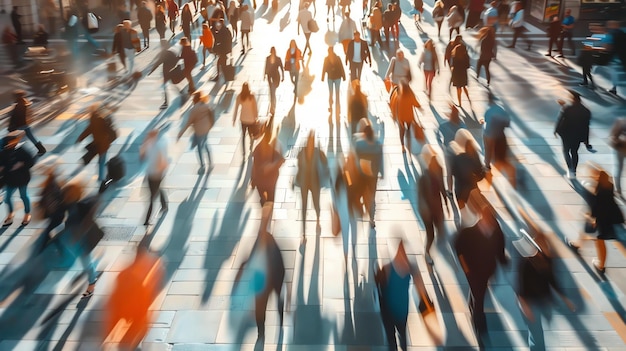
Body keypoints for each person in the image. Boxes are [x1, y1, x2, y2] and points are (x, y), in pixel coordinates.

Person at [517, 207, 576, 351]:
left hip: (543, 299)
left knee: (540, 330)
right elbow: (521, 286)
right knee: (536, 335)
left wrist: (564, 298)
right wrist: (525, 306)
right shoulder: (527, 262)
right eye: (542, 245)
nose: (545, 248)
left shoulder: (547, 259)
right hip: (531, 302)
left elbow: (552, 279)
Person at [455, 196, 507, 341]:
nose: (490, 223)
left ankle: (472, 303)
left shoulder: (497, 232)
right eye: (488, 220)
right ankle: (480, 326)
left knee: (478, 292)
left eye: (492, 221)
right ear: (482, 217)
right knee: (480, 300)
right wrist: (465, 268)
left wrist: (503, 262)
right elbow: (458, 247)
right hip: (472, 272)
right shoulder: (470, 233)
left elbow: (500, 249)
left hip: (486, 271)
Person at [233, 203, 285, 339]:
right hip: (264, 280)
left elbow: (277, 263)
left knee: (268, 305)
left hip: (270, 279)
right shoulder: (263, 240)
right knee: (261, 309)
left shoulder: (267, 241)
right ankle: (262, 333)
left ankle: (266, 331)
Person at [375, 241, 434, 350]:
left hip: (398, 311)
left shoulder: (409, 269)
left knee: (398, 337)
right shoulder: (390, 268)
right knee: (394, 338)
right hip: (393, 311)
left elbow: (420, 288)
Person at [104, 246, 163, 349]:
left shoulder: (123, 273)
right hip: (136, 312)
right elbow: (148, 297)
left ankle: (121, 344)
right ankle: (132, 345)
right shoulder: (143, 277)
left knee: (128, 333)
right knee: (137, 331)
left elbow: (116, 294)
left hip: (123, 310)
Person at [569, 168, 624, 275]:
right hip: (612, 216)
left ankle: (601, 266)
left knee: (599, 240)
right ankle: (577, 245)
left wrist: (589, 216)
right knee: (588, 229)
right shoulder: (608, 184)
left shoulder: (595, 191)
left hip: (602, 220)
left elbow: (595, 209)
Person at [294, 132, 329, 243]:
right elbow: (299, 165)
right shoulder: (302, 151)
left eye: (311, 142)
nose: (310, 144)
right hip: (304, 182)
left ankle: (318, 219)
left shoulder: (317, 152)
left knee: (316, 204)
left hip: (315, 182)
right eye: (309, 142)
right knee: (303, 207)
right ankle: (303, 233)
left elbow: (325, 163)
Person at [418, 145, 448, 265]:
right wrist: (424, 208)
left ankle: (433, 247)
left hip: (437, 206)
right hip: (427, 210)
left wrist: (446, 202)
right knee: (430, 234)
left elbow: (442, 187)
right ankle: (427, 253)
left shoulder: (439, 169)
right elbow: (421, 196)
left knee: (439, 230)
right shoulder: (424, 176)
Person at [554, 90, 591, 179]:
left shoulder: (567, 108)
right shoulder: (586, 111)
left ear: (573, 99)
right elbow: (586, 126)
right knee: (574, 152)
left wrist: (556, 130)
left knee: (566, 151)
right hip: (578, 135)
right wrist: (586, 139)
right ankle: (574, 170)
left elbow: (560, 120)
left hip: (566, 134)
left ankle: (570, 169)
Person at [0, 130, 34, 227]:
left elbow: (31, 161)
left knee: (23, 196)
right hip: (10, 179)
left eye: (12, 141)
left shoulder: (22, 149)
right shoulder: (4, 151)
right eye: (9, 141)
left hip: (22, 178)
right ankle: (11, 213)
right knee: (7, 198)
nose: (10, 143)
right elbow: (2, 162)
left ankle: (27, 213)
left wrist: (22, 164)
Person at [481, 92, 516, 186]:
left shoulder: (488, 110)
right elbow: (507, 123)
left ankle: (487, 166)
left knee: (488, 149)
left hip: (488, 134)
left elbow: (486, 120)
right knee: (500, 153)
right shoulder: (501, 109)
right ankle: (501, 163)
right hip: (499, 135)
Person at [353, 121, 384, 228]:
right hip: (373, 175)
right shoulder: (378, 144)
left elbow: (355, 160)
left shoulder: (359, 143)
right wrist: (382, 172)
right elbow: (380, 160)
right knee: (372, 197)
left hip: (361, 175)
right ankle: (371, 219)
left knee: (358, 194)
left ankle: (360, 209)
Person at [76, 103, 117, 181]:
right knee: (102, 161)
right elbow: (109, 129)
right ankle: (101, 178)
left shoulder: (93, 119)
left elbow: (88, 130)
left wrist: (80, 138)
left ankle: (100, 175)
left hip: (97, 144)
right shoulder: (101, 119)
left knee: (100, 160)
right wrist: (112, 137)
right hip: (104, 144)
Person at [178, 91, 215, 171]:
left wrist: (180, 134)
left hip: (199, 130)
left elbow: (188, 123)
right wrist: (210, 125)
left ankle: (202, 165)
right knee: (205, 144)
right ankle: (211, 163)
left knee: (199, 148)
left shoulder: (194, 109)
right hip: (207, 128)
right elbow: (211, 115)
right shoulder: (206, 105)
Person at [140, 129, 169, 226]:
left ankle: (163, 206)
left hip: (152, 174)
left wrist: (145, 141)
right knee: (155, 193)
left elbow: (142, 157)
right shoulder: (156, 146)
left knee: (154, 194)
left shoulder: (150, 145)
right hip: (155, 174)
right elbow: (162, 162)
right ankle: (163, 206)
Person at [450, 129, 484, 209]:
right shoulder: (474, 154)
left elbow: (453, 173)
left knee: (463, 212)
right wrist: (474, 178)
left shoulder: (457, 157)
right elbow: (480, 172)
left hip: (461, 192)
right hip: (473, 190)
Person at [251, 129, 284, 206]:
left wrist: (253, 178)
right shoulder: (269, 148)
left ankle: (265, 204)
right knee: (269, 198)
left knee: (267, 198)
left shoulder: (258, 149)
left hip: (263, 180)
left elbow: (254, 165)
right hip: (268, 180)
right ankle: (266, 205)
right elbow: (280, 160)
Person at [438, 104, 466, 194]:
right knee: (459, 171)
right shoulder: (462, 125)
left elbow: (437, 136)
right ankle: (459, 190)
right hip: (460, 152)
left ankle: (450, 191)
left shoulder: (444, 125)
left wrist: (442, 146)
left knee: (449, 171)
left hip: (448, 151)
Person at [8, 90, 47, 156]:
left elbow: (15, 117)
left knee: (11, 139)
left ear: (16, 97)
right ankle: (41, 149)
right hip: (26, 124)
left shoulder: (18, 105)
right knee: (31, 138)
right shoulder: (25, 102)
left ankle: (11, 152)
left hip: (20, 125)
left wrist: (10, 126)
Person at [390, 79, 421, 153]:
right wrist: (421, 108)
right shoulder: (410, 94)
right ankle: (408, 138)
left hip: (401, 118)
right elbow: (416, 104)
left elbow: (395, 107)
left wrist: (396, 118)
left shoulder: (398, 96)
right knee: (408, 129)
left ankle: (403, 146)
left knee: (401, 132)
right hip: (409, 117)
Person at [148, 39, 180, 109]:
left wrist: (151, 71)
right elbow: (176, 59)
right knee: (171, 85)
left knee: (165, 87)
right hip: (171, 71)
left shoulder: (164, 53)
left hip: (166, 72)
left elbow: (158, 62)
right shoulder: (171, 52)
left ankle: (166, 102)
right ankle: (179, 94)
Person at [233, 82, 259, 157]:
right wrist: (256, 117)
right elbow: (255, 108)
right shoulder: (252, 96)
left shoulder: (239, 96)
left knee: (243, 136)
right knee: (251, 134)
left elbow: (236, 108)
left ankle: (244, 152)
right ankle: (251, 146)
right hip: (251, 119)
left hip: (243, 119)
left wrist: (234, 119)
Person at [321, 46, 346, 114]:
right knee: (331, 93)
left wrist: (344, 76)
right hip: (330, 78)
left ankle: (338, 108)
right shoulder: (326, 59)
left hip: (337, 77)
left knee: (337, 93)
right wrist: (322, 77)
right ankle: (330, 106)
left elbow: (341, 67)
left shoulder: (338, 58)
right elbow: (324, 68)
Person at [265, 47, 284, 116]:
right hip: (270, 77)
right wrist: (264, 74)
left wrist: (283, 76)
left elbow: (282, 68)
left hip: (275, 77)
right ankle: (272, 107)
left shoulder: (278, 59)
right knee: (272, 92)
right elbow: (266, 67)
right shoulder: (268, 58)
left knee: (273, 92)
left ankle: (272, 106)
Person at [609, 118, 626, 196]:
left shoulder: (620, 121)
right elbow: (613, 136)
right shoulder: (621, 122)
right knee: (618, 168)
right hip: (620, 148)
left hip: (619, 148)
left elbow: (612, 136)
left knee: (618, 168)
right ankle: (618, 189)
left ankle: (617, 189)